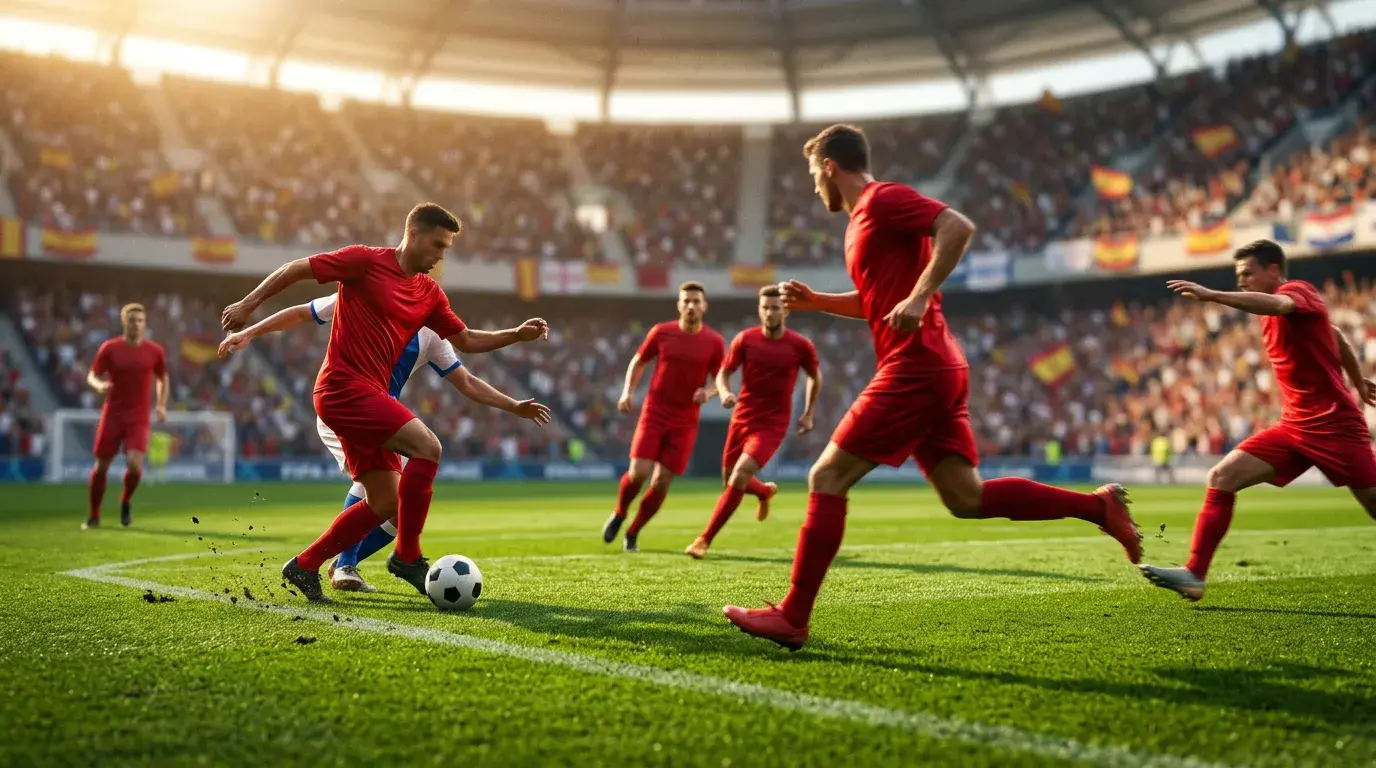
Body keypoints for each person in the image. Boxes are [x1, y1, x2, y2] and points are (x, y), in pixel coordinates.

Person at [722, 124, 1141, 650]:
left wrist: (921, 296)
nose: (813, 188)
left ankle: (792, 617)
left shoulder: (883, 199)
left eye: (813, 174)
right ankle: (1100, 509)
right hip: (938, 364)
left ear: (830, 166)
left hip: (917, 365)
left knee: (826, 476)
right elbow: (877, 301)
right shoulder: (860, 224)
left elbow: (957, 226)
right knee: (966, 497)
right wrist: (819, 302)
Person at [220, 202, 548, 603]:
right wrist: (249, 307)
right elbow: (298, 269)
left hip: (370, 397)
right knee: (428, 447)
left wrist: (515, 333)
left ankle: (305, 566)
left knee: (385, 501)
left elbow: (466, 341)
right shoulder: (364, 262)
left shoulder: (428, 293)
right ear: (413, 235)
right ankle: (406, 557)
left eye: (447, 248)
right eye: (438, 245)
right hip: (343, 388)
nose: (441, 255)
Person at [1141, 240, 1376, 601]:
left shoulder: (1295, 292)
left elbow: (1282, 305)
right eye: (1238, 276)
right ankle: (1194, 574)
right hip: (1295, 428)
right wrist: (1358, 382)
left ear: (1274, 270)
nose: (1243, 281)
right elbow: (1337, 335)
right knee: (1222, 476)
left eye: (1248, 273)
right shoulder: (1275, 314)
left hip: (1335, 426)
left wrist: (1213, 295)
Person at [685, 284, 821, 559]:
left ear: (785, 311)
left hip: (772, 425)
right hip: (741, 418)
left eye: (774, 308)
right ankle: (763, 492)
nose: (769, 313)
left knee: (739, 474)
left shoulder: (800, 345)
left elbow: (814, 377)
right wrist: (723, 392)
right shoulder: (745, 339)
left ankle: (704, 539)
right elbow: (724, 373)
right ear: (759, 310)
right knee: (730, 482)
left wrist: (808, 413)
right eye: (765, 308)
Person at [602, 282, 725, 552]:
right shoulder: (662, 332)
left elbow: (721, 380)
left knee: (661, 482)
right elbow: (639, 361)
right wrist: (627, 391)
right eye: (686, 301)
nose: (691, 306)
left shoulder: (714, 342)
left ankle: (633, 532)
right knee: (638, 473)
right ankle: (621, 512)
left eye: (696, 301)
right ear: (679, 305)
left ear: (704, 306)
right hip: (655, 412)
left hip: (686, 420)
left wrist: (709, 392)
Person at [84, 303, 168, 529]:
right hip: (112, 414)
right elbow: (92, 374)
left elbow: (162, 377)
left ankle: (126, 500)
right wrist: (98, 385)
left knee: (133, 463)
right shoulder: (110, 348)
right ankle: (94, 515)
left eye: (140, 320)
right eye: (132, 320)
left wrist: (160, 404)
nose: (136, 324)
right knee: (101, 467)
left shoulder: (154, 351)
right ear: (124, 322)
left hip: (139, 417)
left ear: (144, 323)